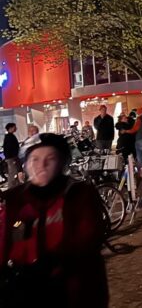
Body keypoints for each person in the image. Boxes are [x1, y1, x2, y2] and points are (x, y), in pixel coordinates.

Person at [0, 133, 108, 307]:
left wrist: (53, 262)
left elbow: (88, 238)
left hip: (73, 291)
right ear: (26, 165)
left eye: (50, 158)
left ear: (62, 163)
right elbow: (3, 239)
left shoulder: (80, 194)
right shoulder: (15, 199)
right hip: (24, 291)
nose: (41, 165)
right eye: (34, 159)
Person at [3, 123, 20, 188]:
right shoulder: (9, 137)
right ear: (11, 128)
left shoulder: (10, 136)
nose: (16, 128)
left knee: (14, 172)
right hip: (11, 158)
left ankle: (16, 185)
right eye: (15, 127)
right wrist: (13, 157)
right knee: (12, 173)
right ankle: (11, 188)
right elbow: (9, 148)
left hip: (11, 157)